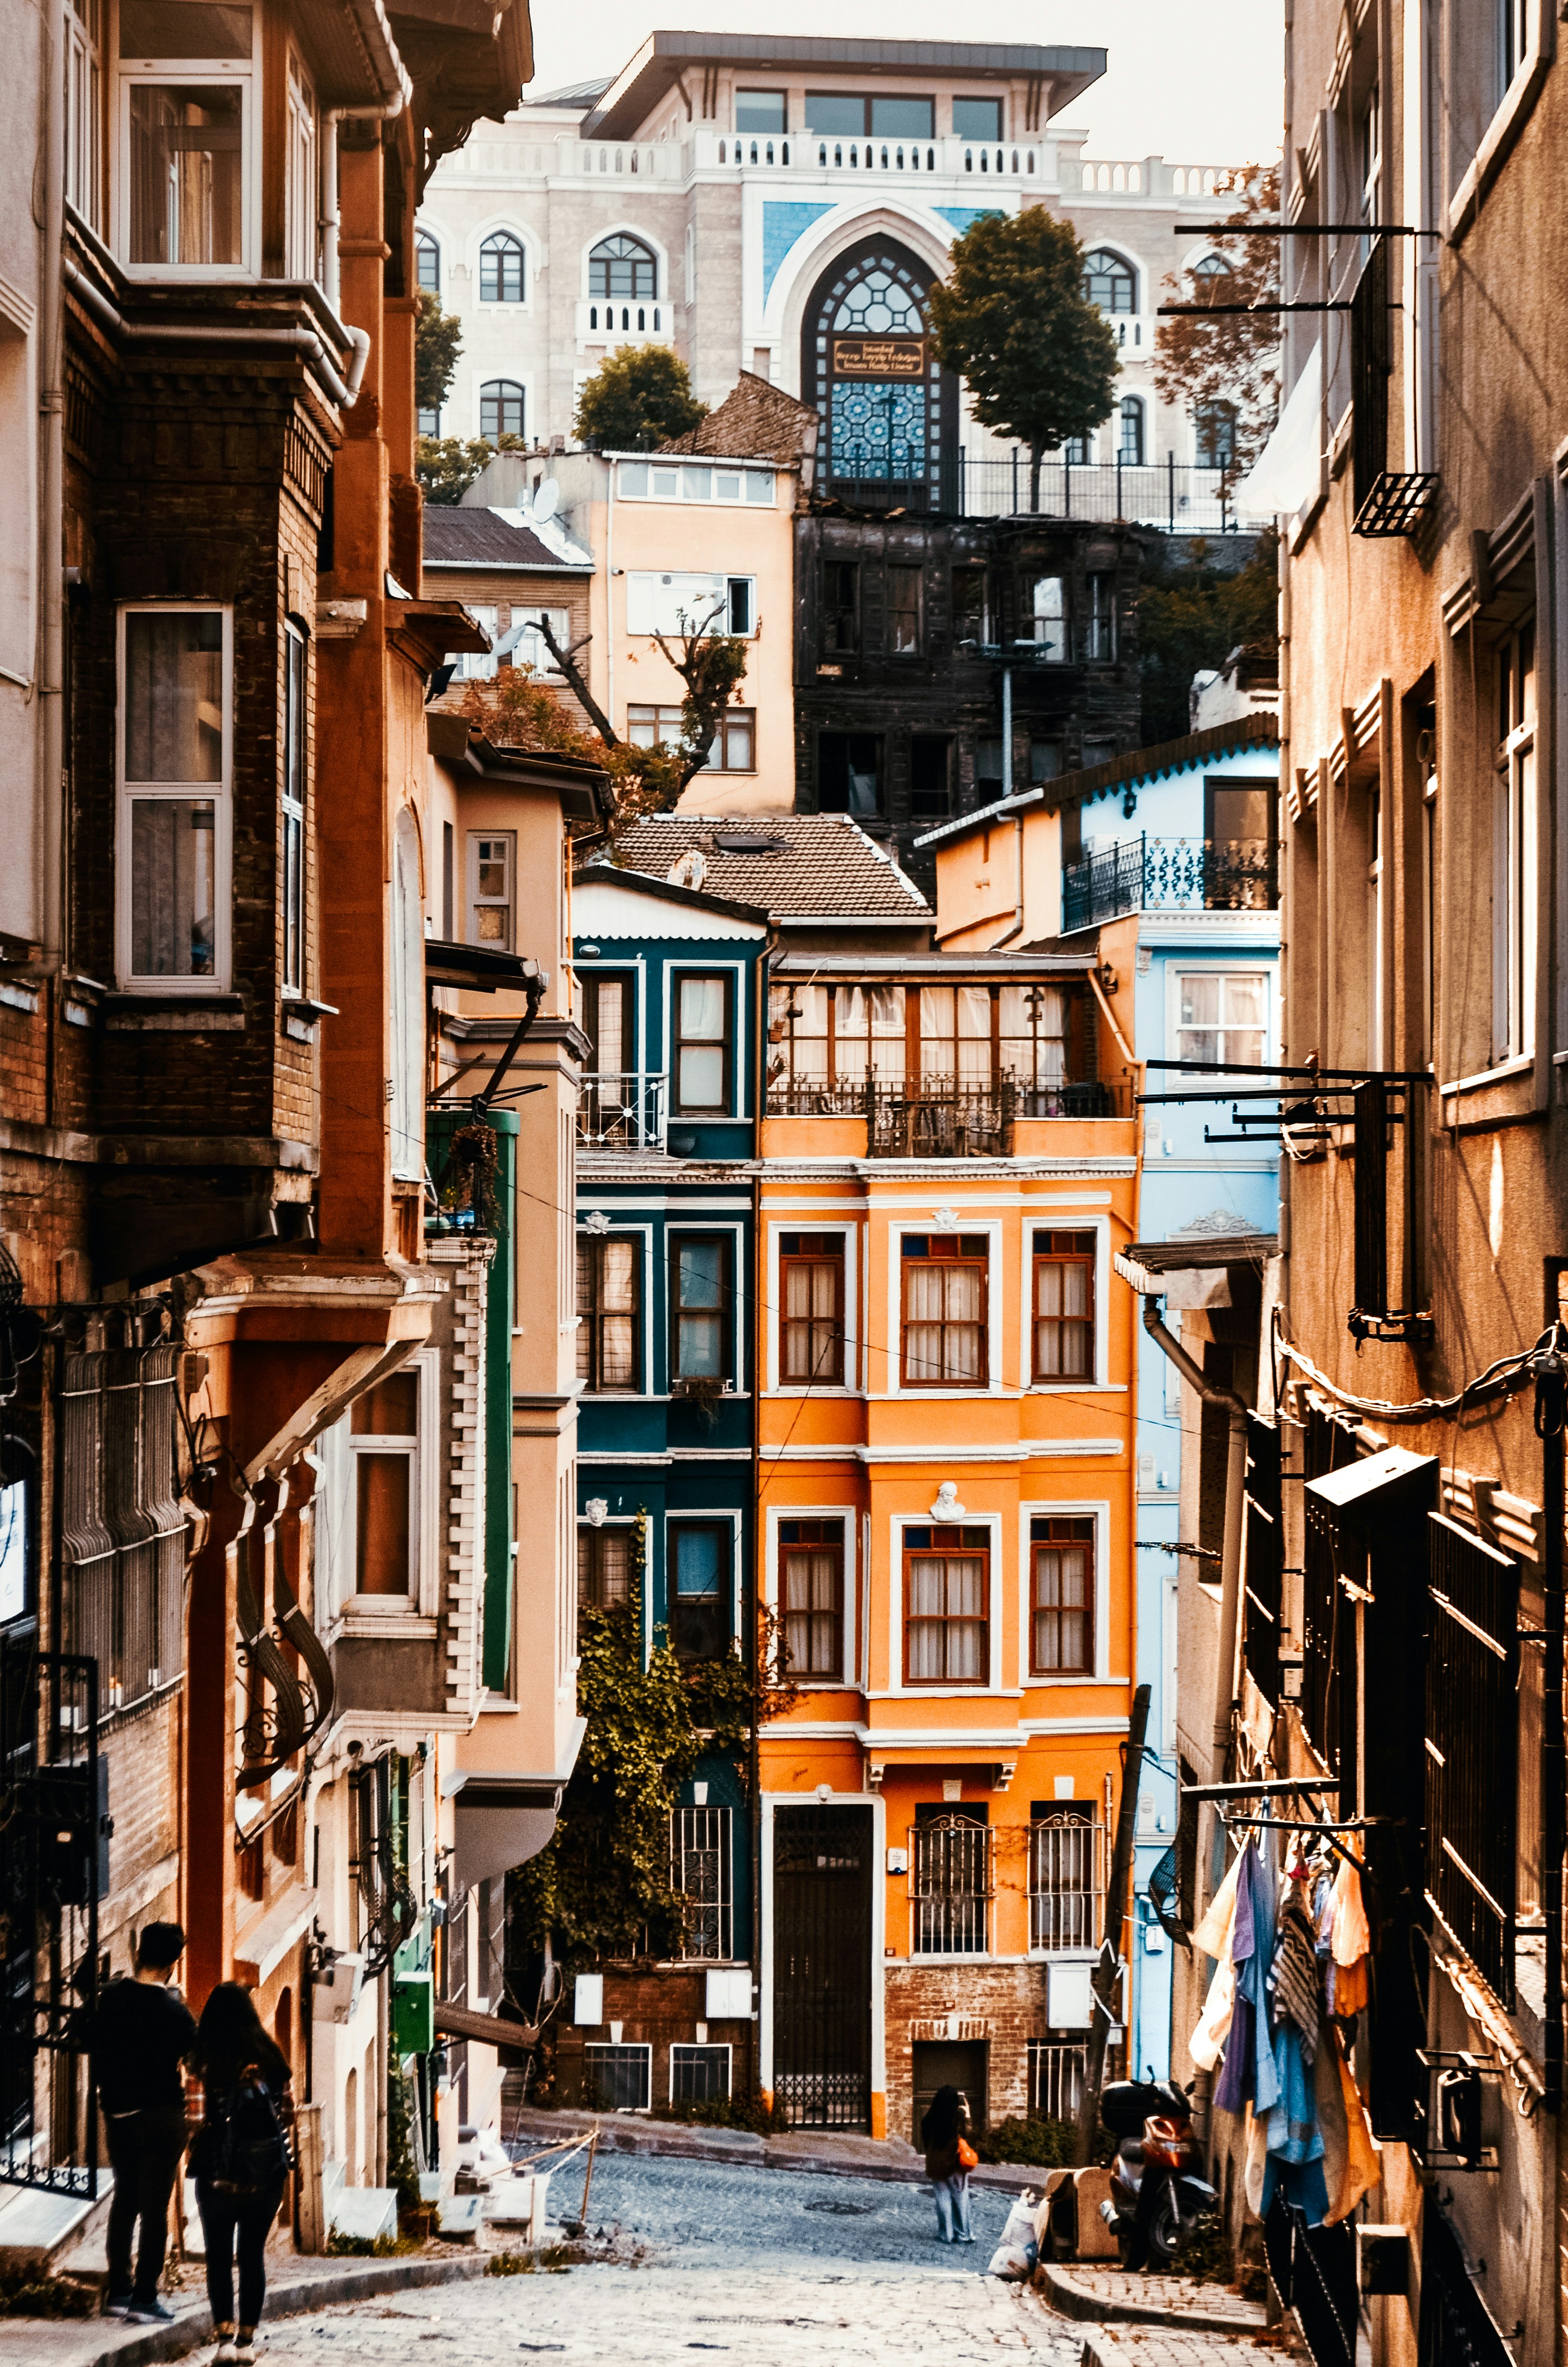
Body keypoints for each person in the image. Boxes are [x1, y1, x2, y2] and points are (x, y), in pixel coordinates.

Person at [89, 1920, 198, 2325]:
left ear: (138, 1953)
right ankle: (145, 2297)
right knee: (155, 2210)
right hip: (160, 2115)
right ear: (174, 1963)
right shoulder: (174, 2011)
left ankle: (119, 2289)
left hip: (117, 2111)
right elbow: (196, 2059)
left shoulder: (110, 1998)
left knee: (125, 2199)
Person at [188, 1983, 293, 2361]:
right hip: (266, 2177)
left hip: (218, 2176)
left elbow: (195, 2119)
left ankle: (224, 2342)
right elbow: (287, 2115)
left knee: (218, 2256)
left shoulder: (203, 2062)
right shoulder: (273, 2059)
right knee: (252, 2256)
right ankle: (247, 2343)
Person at [921, 2085, 977, 2245]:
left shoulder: (928, 2119)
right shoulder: (957, 2117)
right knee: (961, 2200)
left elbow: (925, 2144)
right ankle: (963, 2234)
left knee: (942, 2199)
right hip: (954, 2165)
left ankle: (946, 2234)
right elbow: (969, 2135)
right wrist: (968, 2113)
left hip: (935, 2166)